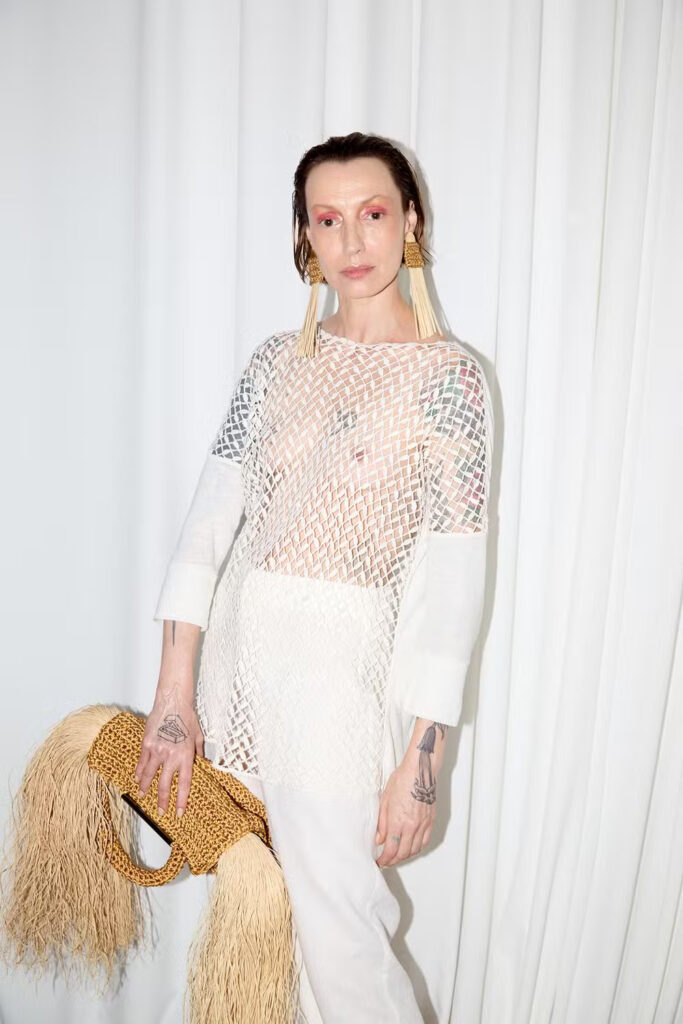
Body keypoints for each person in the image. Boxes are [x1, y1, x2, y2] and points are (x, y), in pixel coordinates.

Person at [134, 131, 494, 1023]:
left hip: (341, 682)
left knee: (342, 941)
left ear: (410, 220)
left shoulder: (450, 379)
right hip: (237, 675)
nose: (352, 240)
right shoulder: (273, 363)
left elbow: (453, 587)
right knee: (264, 924)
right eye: (327, 220)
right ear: (305, 236)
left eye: (372, 213)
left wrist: (421, 761)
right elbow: (204, 533)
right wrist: (174, 698)